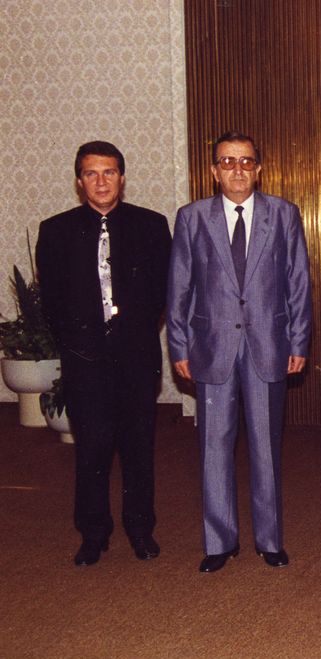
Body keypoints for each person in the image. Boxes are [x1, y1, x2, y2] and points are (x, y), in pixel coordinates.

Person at [166, 131, 312, 573]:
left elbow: (298, 282)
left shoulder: (283, 214)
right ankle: (219, 541)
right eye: (228, 162)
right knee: (214, 445)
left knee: (266, 446)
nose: (238, 170)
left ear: (259, 168)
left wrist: (299, 341)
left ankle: (269, 539)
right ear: (214, 171)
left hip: (269, 344)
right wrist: (179, 346)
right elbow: (179, 288)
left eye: (246, 161)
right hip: (212, 347)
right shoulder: (192, 218)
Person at [36, 141, 172, 567]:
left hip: (136, 358)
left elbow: (161, 292)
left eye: (109, 172)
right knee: (91, 451)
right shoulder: (55, 231)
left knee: (138, 448)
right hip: (85, 360)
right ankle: (93, 533)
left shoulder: (151, 226)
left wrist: (130, 331)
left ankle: (140, 529)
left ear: (122, 178)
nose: (101, 181)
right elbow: (52, 303)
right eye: (91, 173)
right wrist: (83, 341)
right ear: (79, 181)